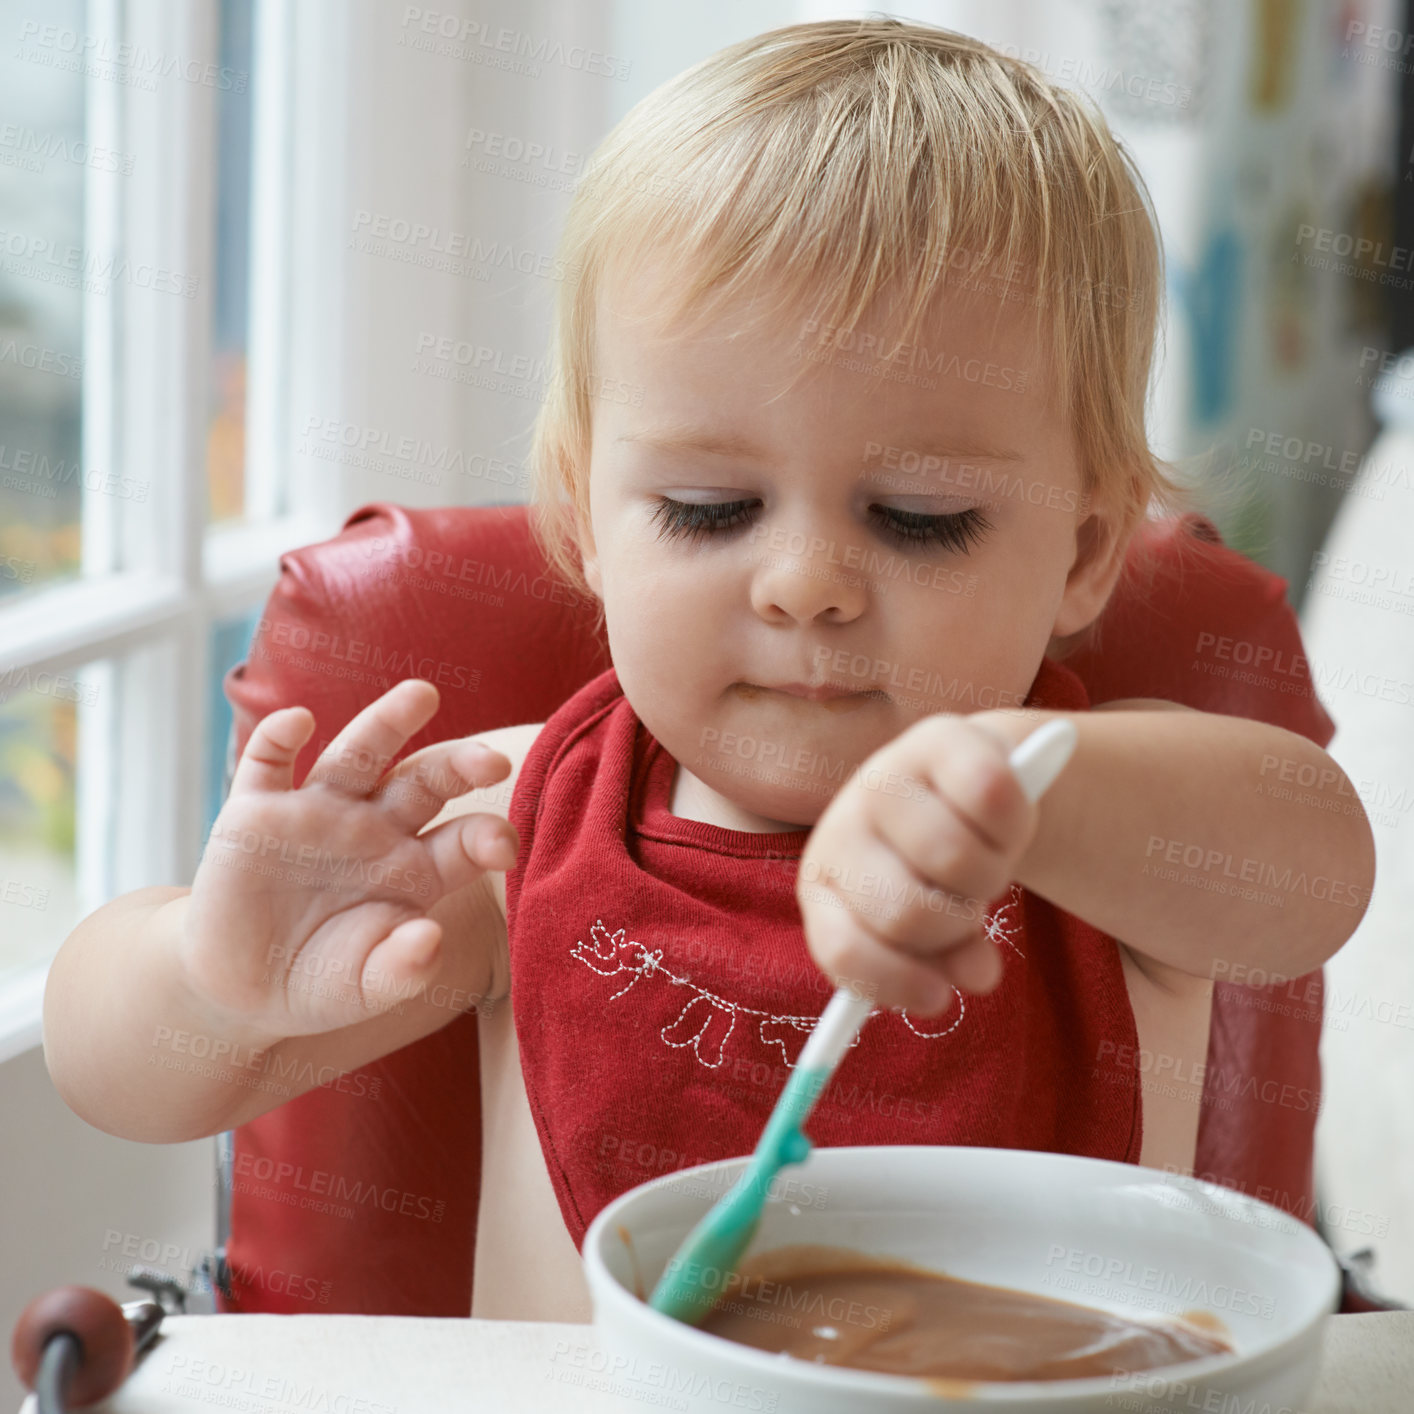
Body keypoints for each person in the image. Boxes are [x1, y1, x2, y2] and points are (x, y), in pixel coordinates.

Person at [42, 19, 1375, 1323]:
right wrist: (209, 977)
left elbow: (1311, 868)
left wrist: (1024, 796)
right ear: (585, 523)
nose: (806, 581)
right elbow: (119, 1080)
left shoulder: (1117, 823)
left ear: (1084, 552)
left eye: (918, 518)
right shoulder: (517, 829)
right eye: (702, 506)